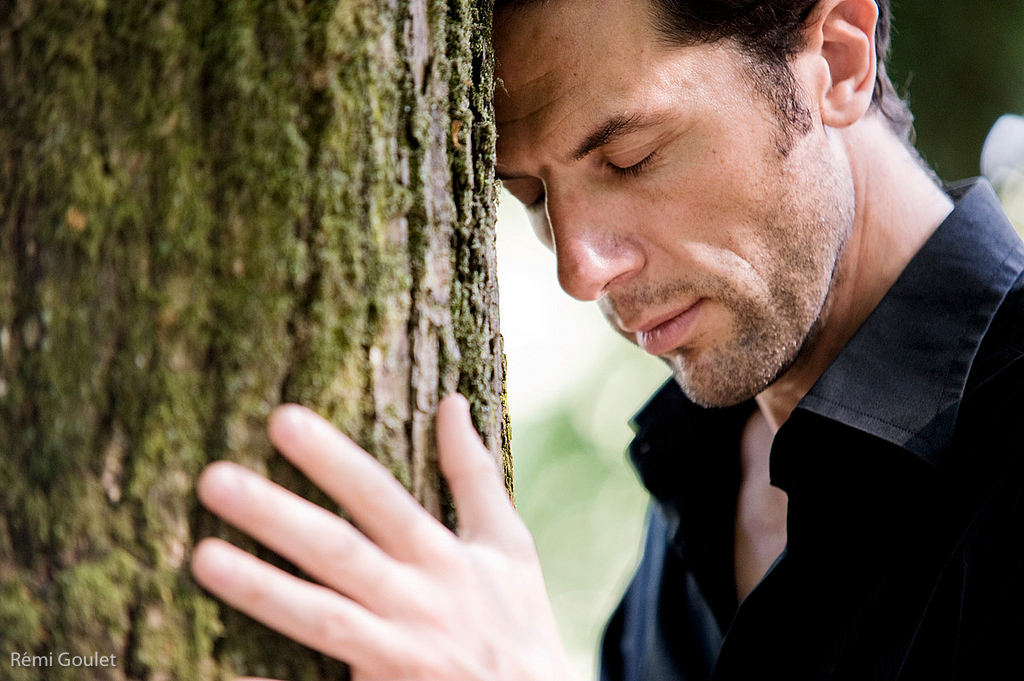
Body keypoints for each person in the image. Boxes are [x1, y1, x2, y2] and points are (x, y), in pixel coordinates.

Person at [190, 0, 1024, 679]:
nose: (580, 270)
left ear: (839, 60)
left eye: (630, 158)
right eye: (529, 198)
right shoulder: (691, 488)